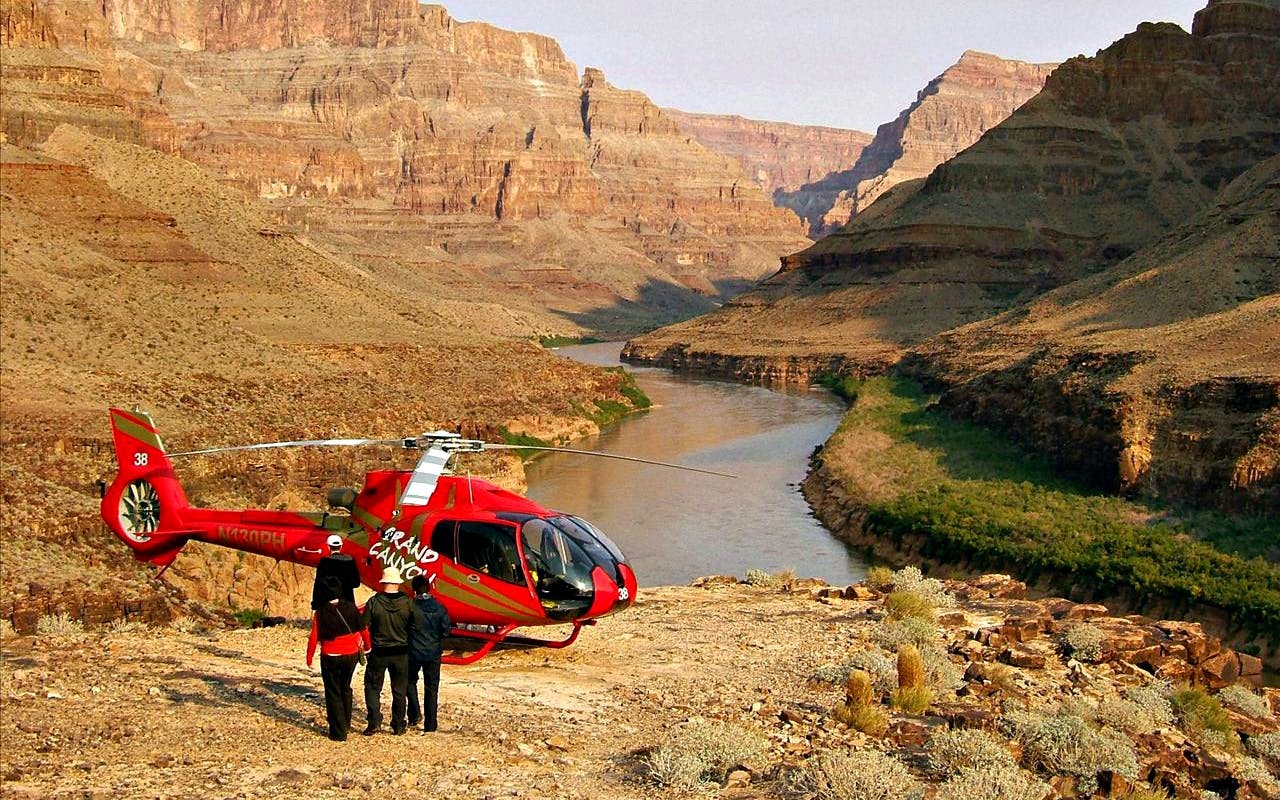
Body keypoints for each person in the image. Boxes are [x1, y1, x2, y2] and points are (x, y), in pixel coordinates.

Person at [306, 575, 369, 741]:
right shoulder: (351, 608)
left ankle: (338, 732)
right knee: (345, 687)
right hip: (351, 655)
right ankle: (346, 723)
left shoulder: (320, 612)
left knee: (332, 692)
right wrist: (368, 647)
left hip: (331, 655)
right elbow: (364, 630)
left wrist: (309, 657)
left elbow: (314, 637)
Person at [361, 565, 414, 735]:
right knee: (399, 690)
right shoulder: (408, 603)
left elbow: (364, 626)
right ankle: (398, 724)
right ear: (398, 583)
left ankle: (374, 722)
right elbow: (415, 626)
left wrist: (366, 647)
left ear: (383, 583)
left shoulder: (374, 602)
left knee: (372, 687)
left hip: (379, 651)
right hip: (401, 652)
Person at [407, 575, 452, 733]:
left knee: (409, 681)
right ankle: (430, 725)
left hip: (413, 651)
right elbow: (446, 630)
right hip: (433, 652)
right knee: (432, 688)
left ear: (414, 590)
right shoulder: (439, 607)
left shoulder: (411, 607)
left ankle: (414, 713)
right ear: (429, 588)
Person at [311, 534, 360, 611]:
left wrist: (315, 604)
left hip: (328, 605)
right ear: (340, 547)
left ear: (328, 547)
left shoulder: (324, 562)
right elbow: (356, 583)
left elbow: (318, 584)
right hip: (347, 604)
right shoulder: (350, 561)